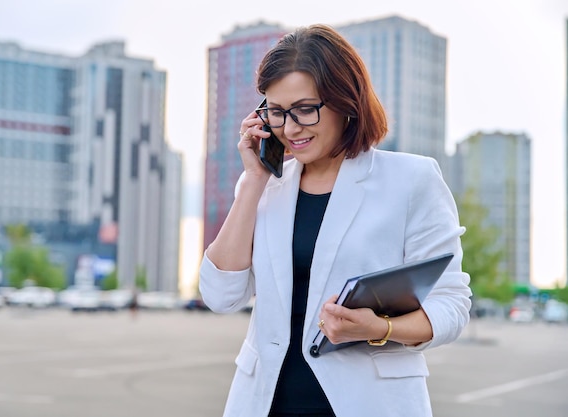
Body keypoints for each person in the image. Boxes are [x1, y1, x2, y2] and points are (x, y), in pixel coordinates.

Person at [199, 24, 472, 417]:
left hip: (368, 403)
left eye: (305, 109)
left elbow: (451, 304)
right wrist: (254, 181)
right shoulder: (262, 185)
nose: (291, 128)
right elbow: (221, 295)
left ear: (346, 101)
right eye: (276, 112)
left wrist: (379, 328)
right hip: (265, 402)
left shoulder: (412, 180)